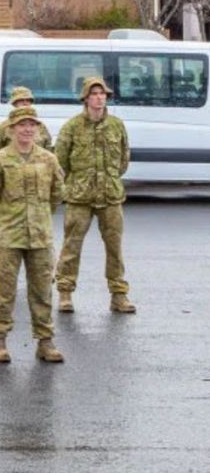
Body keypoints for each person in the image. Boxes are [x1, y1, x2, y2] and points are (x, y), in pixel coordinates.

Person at [0, 105, 65, 363]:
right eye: (22, 125)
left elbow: (57, 193)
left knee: (42, 290)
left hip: (40, 236)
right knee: (4, 290)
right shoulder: (0, 160)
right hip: (9, 236)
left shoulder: (48, 159)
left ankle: (45, 341)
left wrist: (40, 215)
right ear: (12, 129)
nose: (27, 129)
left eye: (32, 125)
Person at [54, 77, 135, 315]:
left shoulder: (116, 125)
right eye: (95, 94)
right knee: (71, 245)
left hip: (110, 197)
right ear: (86, 98)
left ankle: (118, 295)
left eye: (103, 94)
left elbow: (123, 158)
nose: (100, 98)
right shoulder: (72, 127)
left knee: (114, 248)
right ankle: (65, 292)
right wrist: (75, 184)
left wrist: (109, 178)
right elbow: (60, 161)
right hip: (80, 197)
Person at [0, 87, 52, 153]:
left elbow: (47, 146)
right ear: (14, 103)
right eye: (21, 100)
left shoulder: (40, 126)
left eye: (28, 100)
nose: (25, 103)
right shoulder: (3, 127)